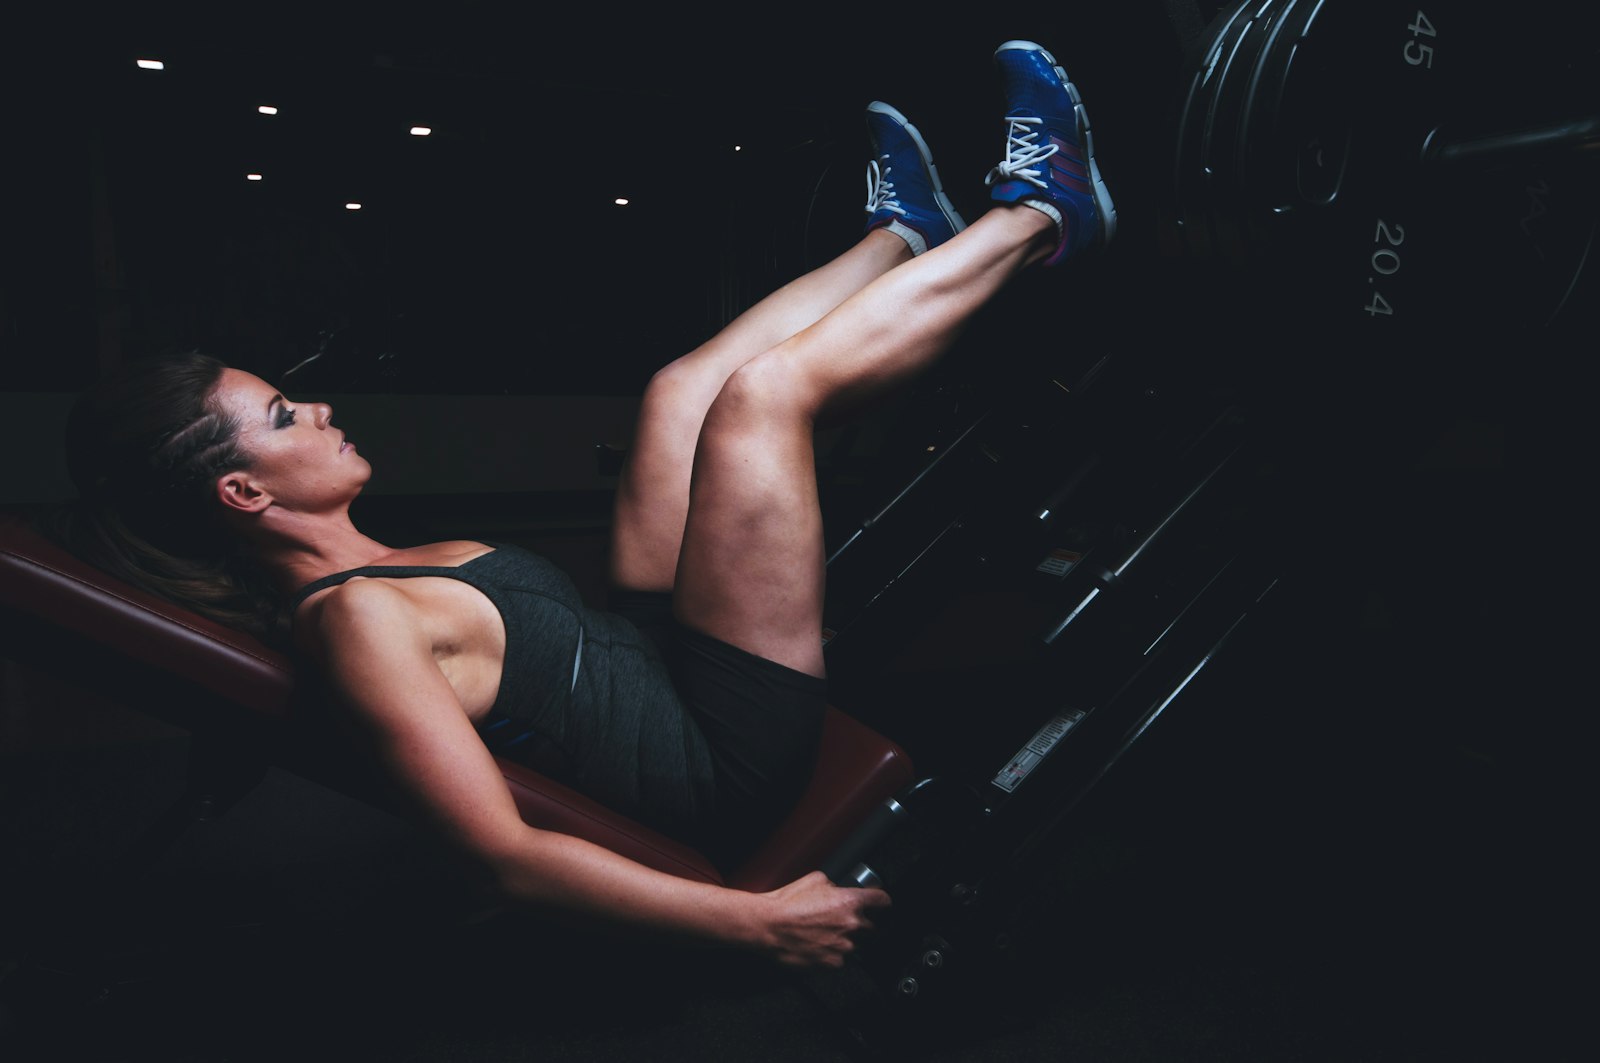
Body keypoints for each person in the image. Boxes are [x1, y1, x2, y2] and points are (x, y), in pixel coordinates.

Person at [61, 41, 1115, 969]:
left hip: (650, 656)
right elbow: (501, 859)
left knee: (676, 397)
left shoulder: (367, 572)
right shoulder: (355, 622)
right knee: (763, 400)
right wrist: (758, 923)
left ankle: (902, 235)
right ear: (242, 491)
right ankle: (1042, 214)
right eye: (286, 415)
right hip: (718, 754)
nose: (320, 407)